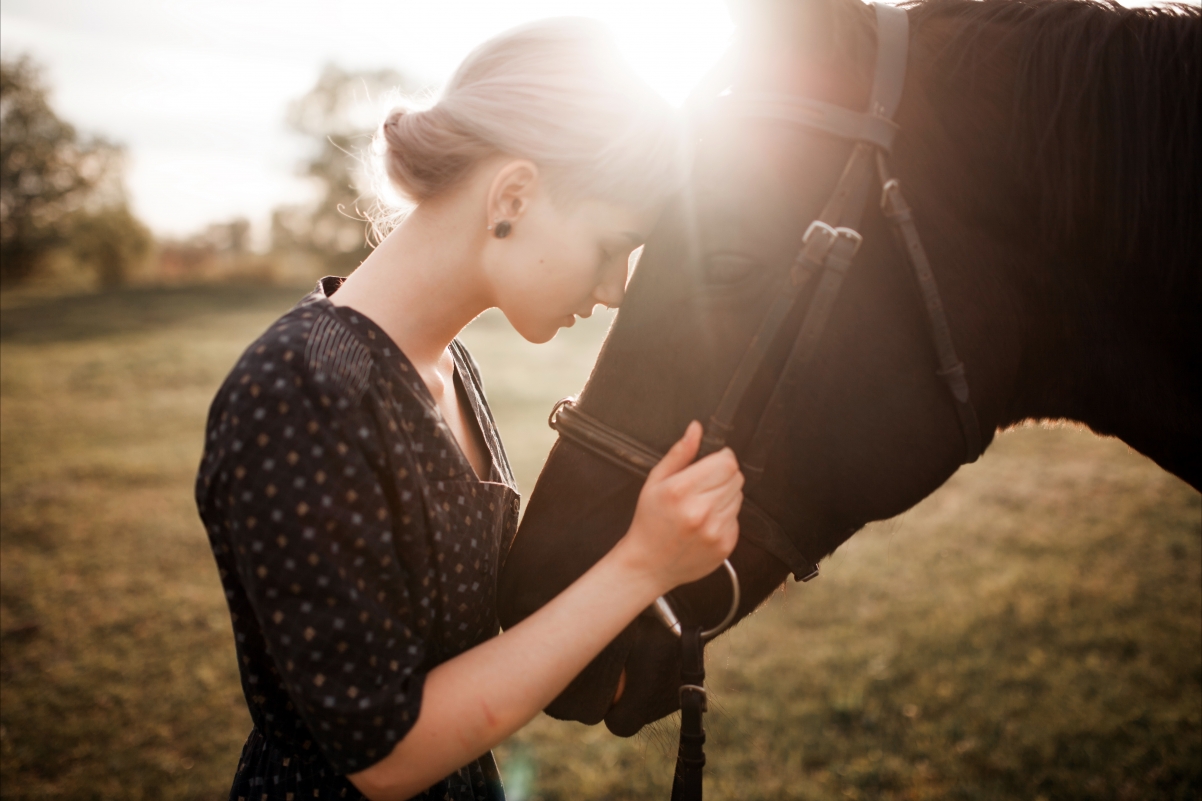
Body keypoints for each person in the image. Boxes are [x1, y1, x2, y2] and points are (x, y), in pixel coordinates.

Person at [195, 18, 743, 801]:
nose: (616, 286)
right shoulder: (303, 390)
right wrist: (642, 565)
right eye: (612, 244)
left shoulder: (449, 366)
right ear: (513, 194)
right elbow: (386, 756)